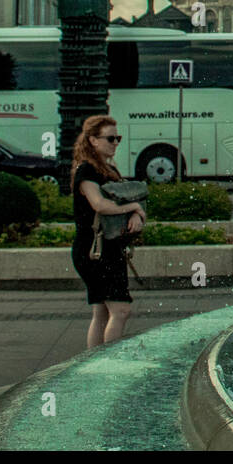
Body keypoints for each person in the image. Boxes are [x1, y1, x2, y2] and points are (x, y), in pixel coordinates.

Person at [70, 115, 145, 348]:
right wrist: (134, 207)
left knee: (102, 312)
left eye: (118, 138)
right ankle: (109, 365)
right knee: (121, 310)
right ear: (93, 140)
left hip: (108, 247)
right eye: (110, 138)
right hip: (94, 250)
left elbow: (124, 200)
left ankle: (94, 367)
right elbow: (99, 205)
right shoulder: (86, 171)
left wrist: (135, 212)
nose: (115, 143)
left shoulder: (108, 169)